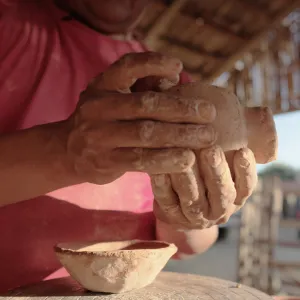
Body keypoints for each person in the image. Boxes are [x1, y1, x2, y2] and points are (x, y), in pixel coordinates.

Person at [0, 0, 257, 292]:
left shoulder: (174, 86)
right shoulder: (11, 24)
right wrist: (62, 153)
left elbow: (187, 245)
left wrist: (189, 216)